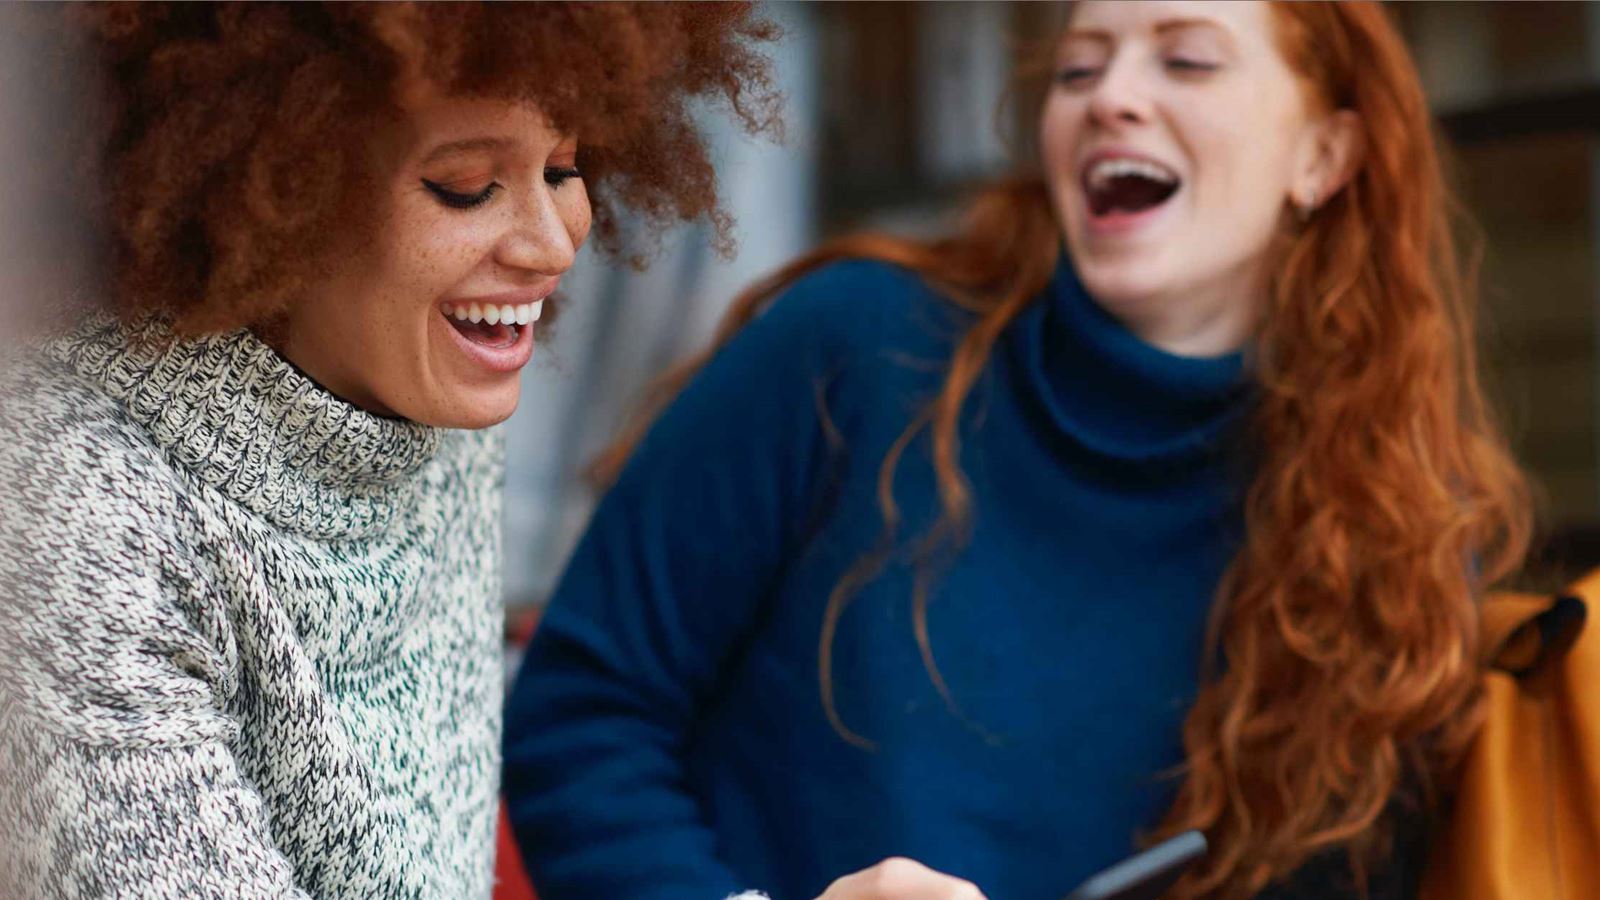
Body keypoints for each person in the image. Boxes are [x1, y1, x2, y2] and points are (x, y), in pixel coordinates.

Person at [502, 2, 1532, 899]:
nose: (1110, 97)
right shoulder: (852, 349)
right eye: (1079, 69)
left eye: (1185, 59)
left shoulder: (1390, 531)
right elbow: (579, 717)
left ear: (1323, 157)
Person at [0, 3, 776, 898]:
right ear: (276, 185)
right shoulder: (72, 512)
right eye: (466, 186)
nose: (553, 241)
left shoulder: (428, 413)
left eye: (563, 168)